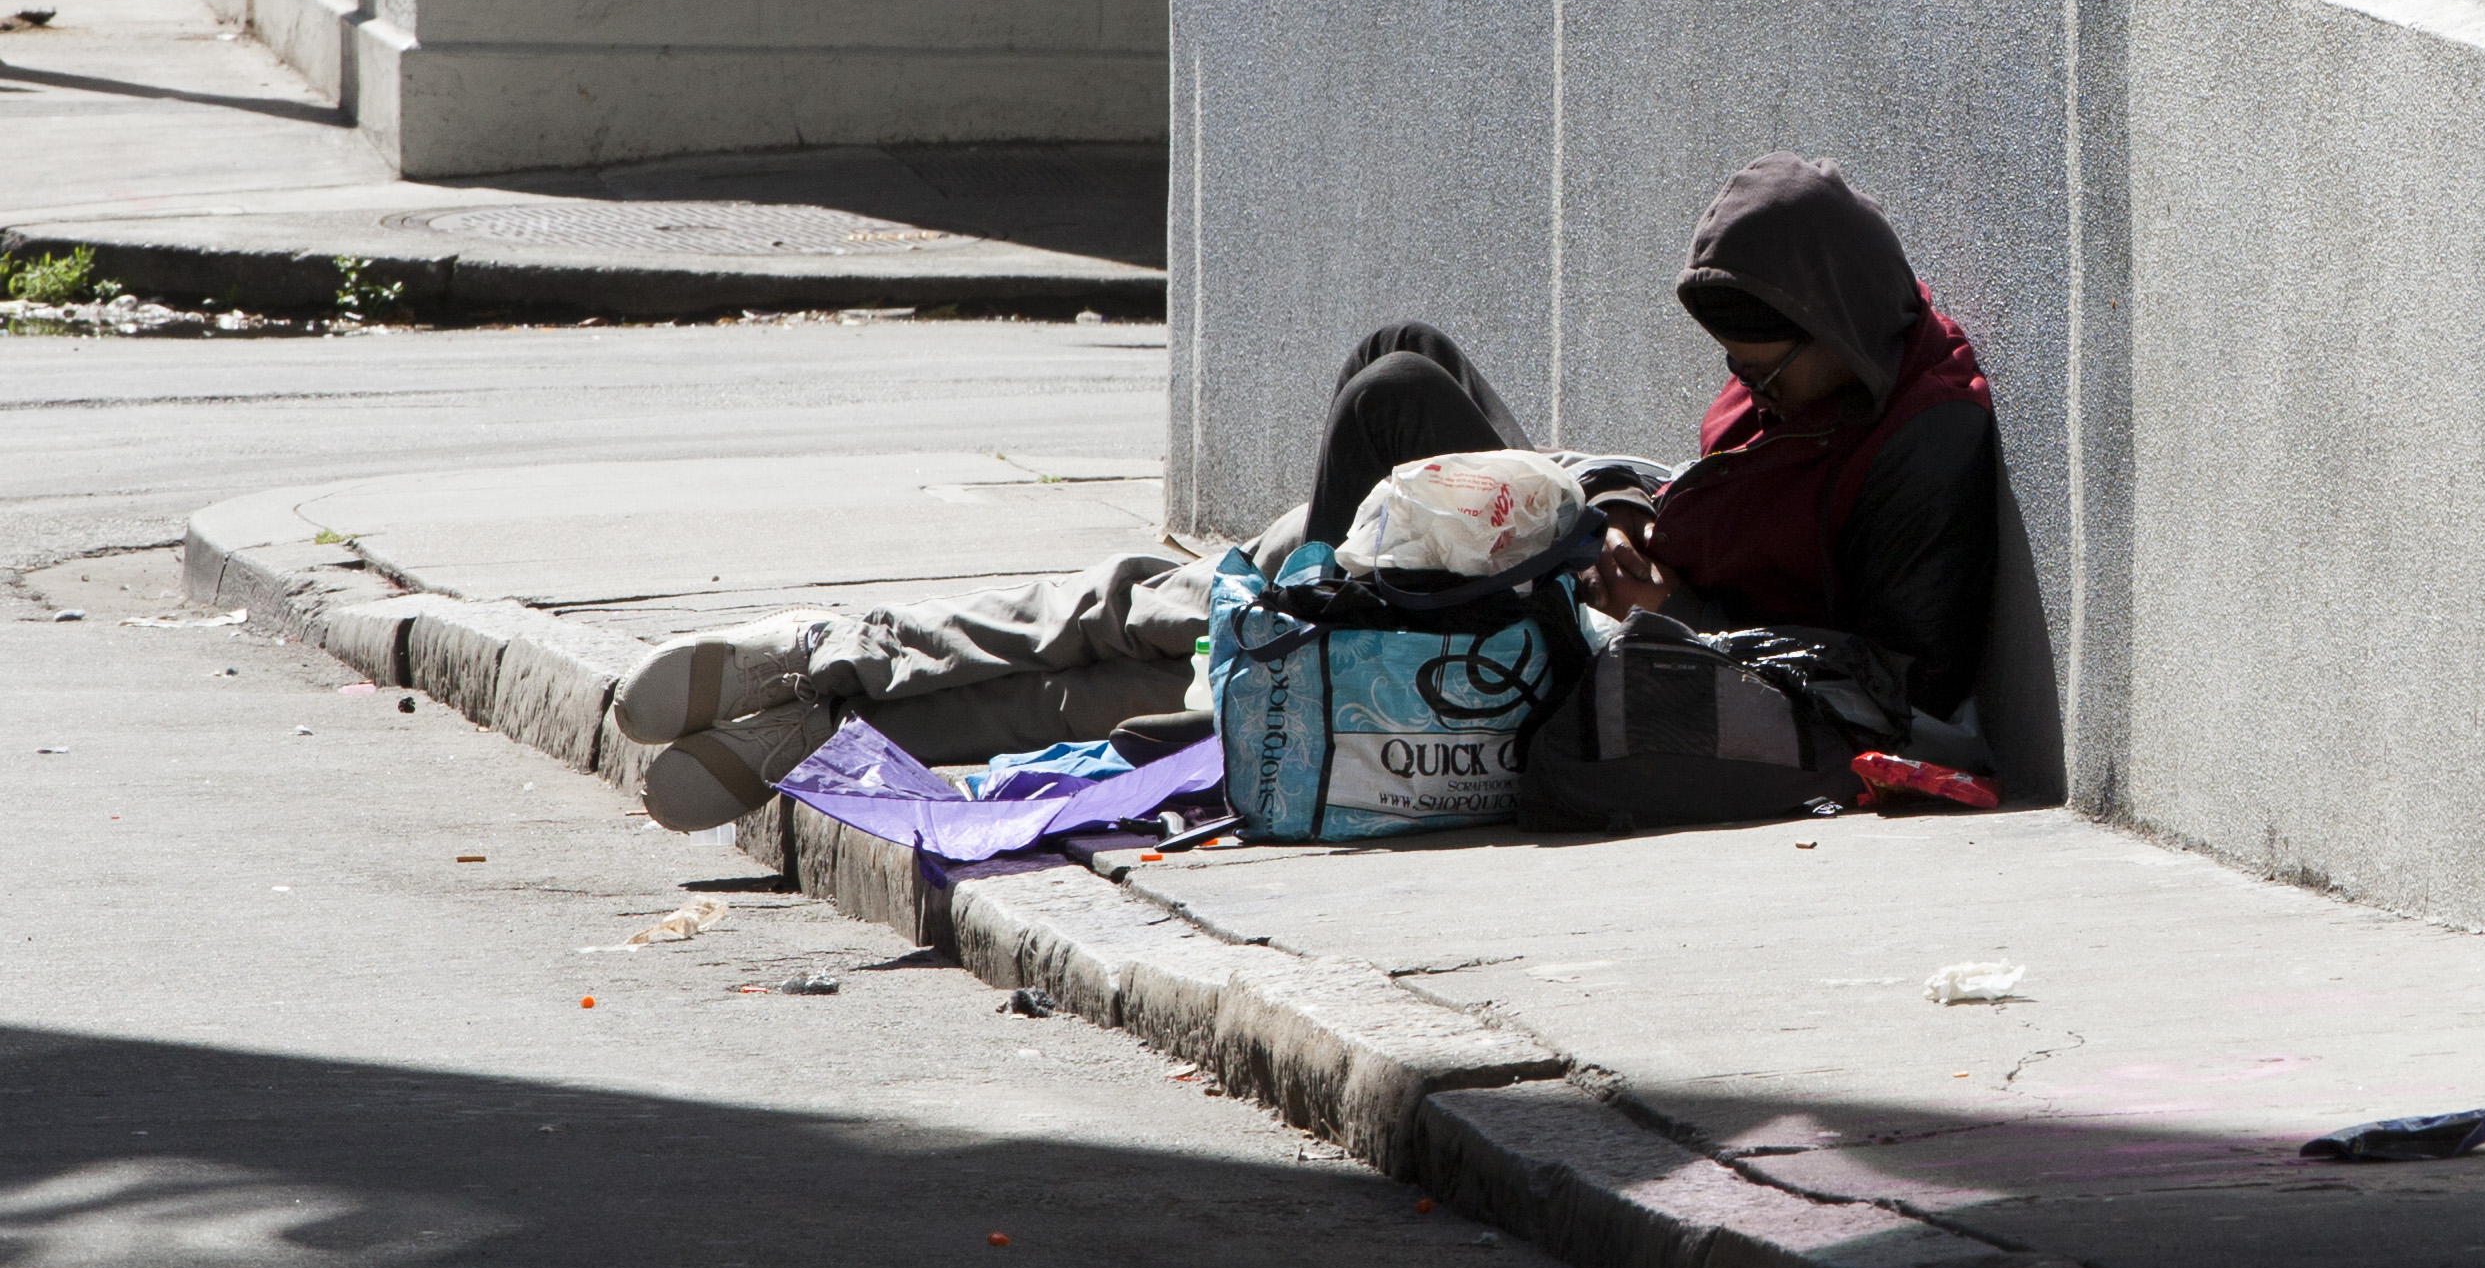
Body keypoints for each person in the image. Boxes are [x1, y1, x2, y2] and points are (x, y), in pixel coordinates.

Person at [612, 153, 2001, 828]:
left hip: (1620, 673)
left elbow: (1902, 687)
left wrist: (1670, 599)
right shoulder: (1814, 387)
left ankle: (824, 699)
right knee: (1237, 560)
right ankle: (824, 673)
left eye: (1774, 362)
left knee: (1212, 632)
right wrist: (1624, 517)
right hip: (1587, 580)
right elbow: (1718, 489)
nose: (1755, 388)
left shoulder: (1920, 442)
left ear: (1841, 318)